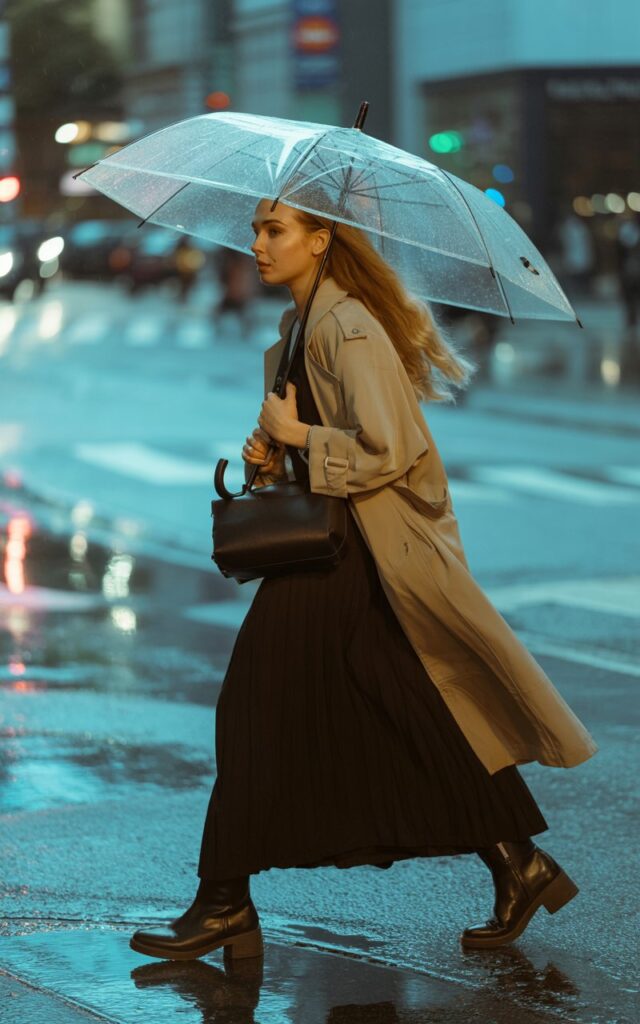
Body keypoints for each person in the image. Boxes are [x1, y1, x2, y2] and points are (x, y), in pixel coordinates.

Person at [129, 198, 597, 962]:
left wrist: (300, 435)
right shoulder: (297, 328)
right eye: (255, 229)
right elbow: (320, 445)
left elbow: (391, 447)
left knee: (251, 705)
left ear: (320, 240)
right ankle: (520, 862)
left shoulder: (346, 327)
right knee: (408, 710)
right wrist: (271, 456)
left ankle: (223, 903)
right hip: (341, 551)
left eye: (273, 230)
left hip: (356, 556)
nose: (256, 244)